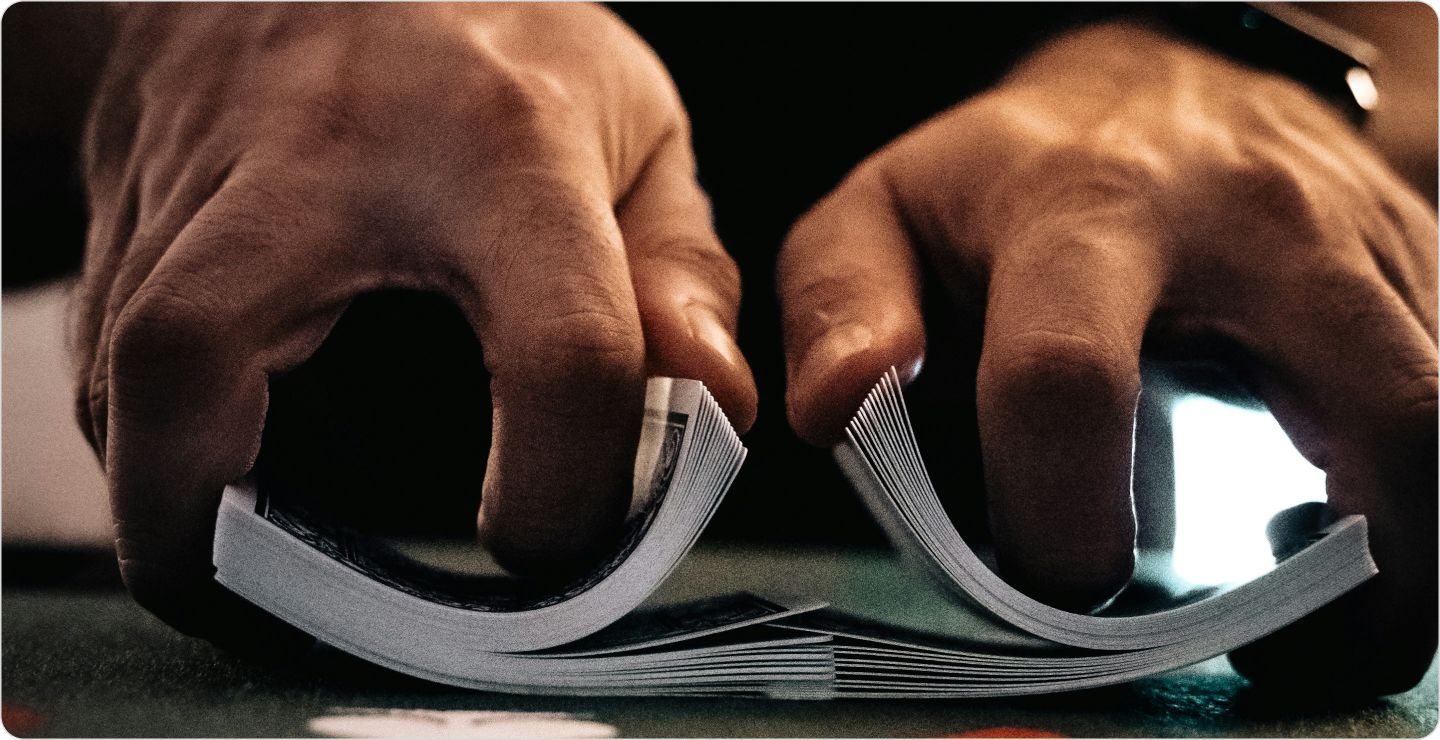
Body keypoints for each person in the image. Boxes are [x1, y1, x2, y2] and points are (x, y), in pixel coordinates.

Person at [8, 3, 1433, 697]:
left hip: (1042, 539)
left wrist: (1253, 62)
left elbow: (1409, 53)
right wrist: (156, 25)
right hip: (326, 564)